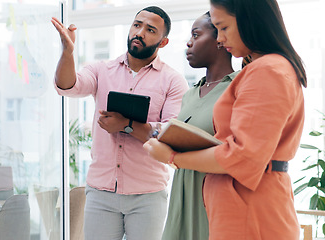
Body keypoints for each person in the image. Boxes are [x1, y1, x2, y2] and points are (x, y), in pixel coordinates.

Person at [144, 0, 307, 239]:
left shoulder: (267, 71)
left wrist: (172, 158)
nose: (220, 39)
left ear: (247, 20)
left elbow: (243, 156)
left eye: (224, 27)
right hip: (240, 208)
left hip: (251, 210)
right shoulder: (263, 69)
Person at [51, 6, 189, 240]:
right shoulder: (101, 70)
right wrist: (67, 52)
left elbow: (170, 133)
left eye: (150, 29)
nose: (140, 32)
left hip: (148, 195)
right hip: (101, 193)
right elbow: (67, 86)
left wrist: (126, 125)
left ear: (163, 42)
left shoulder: (173, 81)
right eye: (137, 25)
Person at [162, 12, 237, 240]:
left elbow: (238, 152)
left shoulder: (238, 88)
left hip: (215, 197)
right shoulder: (190, 94)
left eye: (196, 34)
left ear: (220, 40)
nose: (188, 42)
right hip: (180, 195)